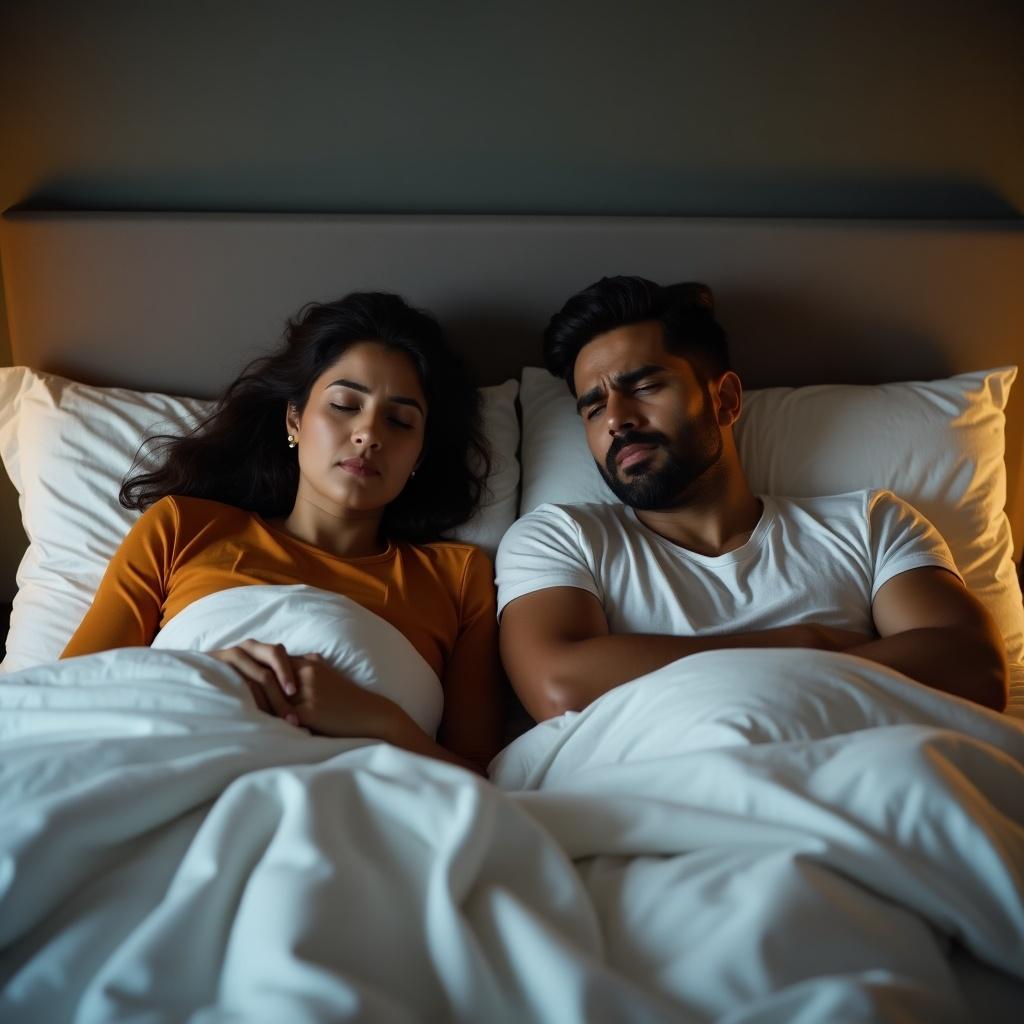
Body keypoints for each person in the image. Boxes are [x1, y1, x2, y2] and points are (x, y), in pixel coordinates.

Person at [496, 276, 1009, 722]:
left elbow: (974, 668)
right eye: (593, 407)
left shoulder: (868, 525)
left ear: (725, 399)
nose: (616, 419)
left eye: (645, 385)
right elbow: (560, 688)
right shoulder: (562, 539)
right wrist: (813, 644)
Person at [63, 292, 504, 774]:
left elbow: (479, 779)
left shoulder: (457, 579)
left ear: (418, 456)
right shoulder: (182, 528)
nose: (369, 433)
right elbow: (68, 697)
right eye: (344, 405)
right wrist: (200, 677)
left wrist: (378, 722)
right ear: (294, 418)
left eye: (399, 420)